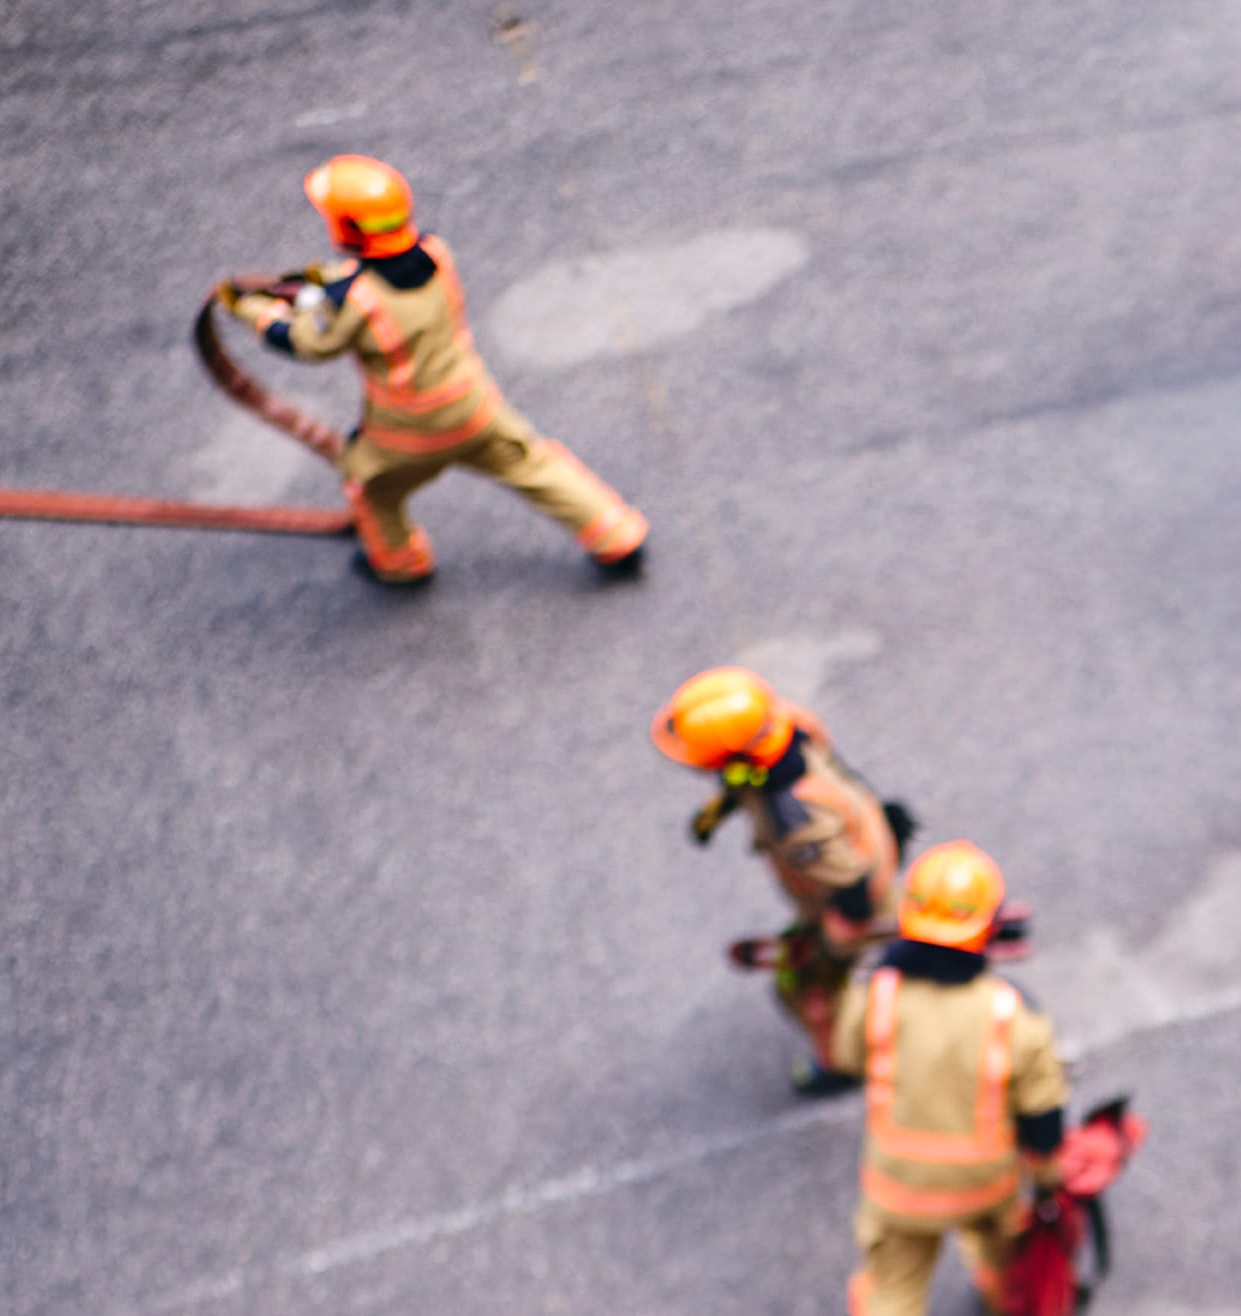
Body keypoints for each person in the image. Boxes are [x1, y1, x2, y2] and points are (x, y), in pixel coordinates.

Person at [217, 155, 648, 586]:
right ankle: (615, 535)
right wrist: (324, 281)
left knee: (371, 489)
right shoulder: (436, 253)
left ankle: (400, 564)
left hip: (407, 432)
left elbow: (308, 341)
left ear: (346, 228)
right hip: (474, 406)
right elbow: (365, 282)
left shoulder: (355, 300)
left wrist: (253, 309)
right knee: (533, 464)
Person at [826, 840, 1068, 1316]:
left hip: (899, 1188)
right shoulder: (1011, 1013)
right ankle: (1010, 1303)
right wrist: (1046, 1179)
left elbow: (847, 1055)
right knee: (1002, 1244)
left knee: (893, 1297)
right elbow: (1042, 1114)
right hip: (986, 1181)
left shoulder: (877, 994)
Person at [650, 666, 907, 1091]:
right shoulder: (782, 729)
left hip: (852, 895)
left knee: (804, 987)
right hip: (864, 834)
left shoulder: (798, 823)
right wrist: (727, 804)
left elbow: (852, 886)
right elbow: (750, 775)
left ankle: (842, 1062)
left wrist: (839, 935)